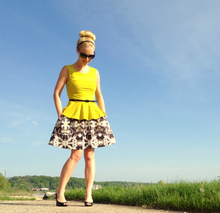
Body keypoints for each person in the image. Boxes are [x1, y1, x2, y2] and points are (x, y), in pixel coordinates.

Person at [48, 30, 116, 207]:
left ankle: (88, 194)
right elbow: (56, 93)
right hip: (73, 113)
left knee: (90, 155)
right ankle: (60, 192)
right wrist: (60, 114)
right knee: (76, 155)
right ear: (77, 51)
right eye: (84, 55)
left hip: (93, 113)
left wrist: (104, 114)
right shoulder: (67, 69)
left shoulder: (95, 72)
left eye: (91, 56)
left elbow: (99, 94)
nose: (87, 59)